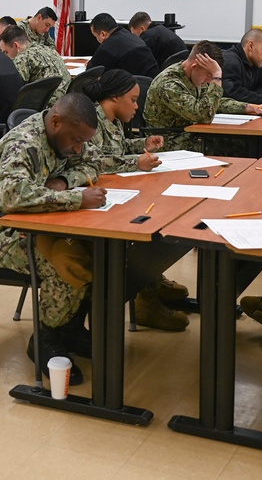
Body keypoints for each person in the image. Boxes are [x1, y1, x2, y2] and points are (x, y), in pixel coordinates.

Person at [0, 93, 105, 383]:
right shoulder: (24, 144)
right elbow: (12, 197)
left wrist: (65, 180)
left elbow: (94, 163)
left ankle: (71, 329)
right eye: (76, 140)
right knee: (65, 268)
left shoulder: (64, 135)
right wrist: (74, 199)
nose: (79, 148)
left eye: (83, 141)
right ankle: (45, 339)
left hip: (35, 220)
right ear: (56, 121)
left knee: (97, 252)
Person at [83, 70, 191, 332]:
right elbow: (95, 161)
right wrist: (136, 162)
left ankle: (149, 277)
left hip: (116, 189)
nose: (136, 106)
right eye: (132, 100)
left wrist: (143, 144)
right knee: (146, 221)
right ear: (115, 97)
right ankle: (146, 295)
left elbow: (115, 149)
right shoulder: (91, 121)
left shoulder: (113, 119)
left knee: (157, 210)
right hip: (98, 196)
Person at [143, 41, 262, 152]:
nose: (210, 81)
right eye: (208, 75)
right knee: (236, 145)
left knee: (244, 143)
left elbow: (214, 102)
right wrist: (216, 75)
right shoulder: (169, 84)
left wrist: (248, 107)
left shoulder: (193, 76)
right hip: (167, 141)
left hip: (189, 134)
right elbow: (204, 115)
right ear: (194, 66)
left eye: (212, 76)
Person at [0, 25, 70, 107]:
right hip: (65, 106)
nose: (5, 57)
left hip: (44, 110)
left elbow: (11, 90)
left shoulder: (22, 59)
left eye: (6, 52)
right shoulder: (49, 50)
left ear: (16, 46)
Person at [222, 29, 262, 107]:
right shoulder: (229, 61)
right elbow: (233, 94)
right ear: (250, 46)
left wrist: (253, 97)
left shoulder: (255, 62)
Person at [87, 13, 159, 77]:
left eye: (96, 36)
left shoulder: (108, 46)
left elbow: (90, 71)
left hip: (136, 87)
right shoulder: (130, 35)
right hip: (152, 82)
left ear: (103, 34)